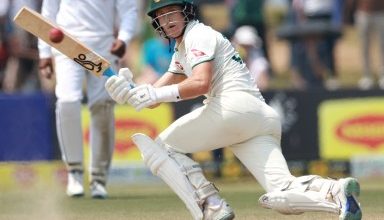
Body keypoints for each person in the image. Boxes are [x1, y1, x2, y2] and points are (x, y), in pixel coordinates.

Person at [105, 0, 362, 219]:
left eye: (171, 12)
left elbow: (200, 83)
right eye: (160, 15)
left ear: (186, 11)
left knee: (160, 148)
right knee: (283, 192)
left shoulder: (199, 34)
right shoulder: (181, 50)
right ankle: (337, 194)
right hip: (259, 118)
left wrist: (154, 92)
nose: (166, 19)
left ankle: (211, 205)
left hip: (233, 106)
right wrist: (129, 89)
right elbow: (153, 97)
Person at [38, 0, 138, 198]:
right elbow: (48, 12)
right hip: (67, 44)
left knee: (102, 107)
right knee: (67, 102)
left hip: (104, 47)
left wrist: (124, 38)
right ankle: (74, 172)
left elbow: (129, 10)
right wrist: (44, 52)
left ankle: (98, 179)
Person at [353, 0, 384, 90]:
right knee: (364, 47)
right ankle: (366, 75)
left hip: (380, 13)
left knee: (383, 46)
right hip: (363, 13)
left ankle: (383, 75)